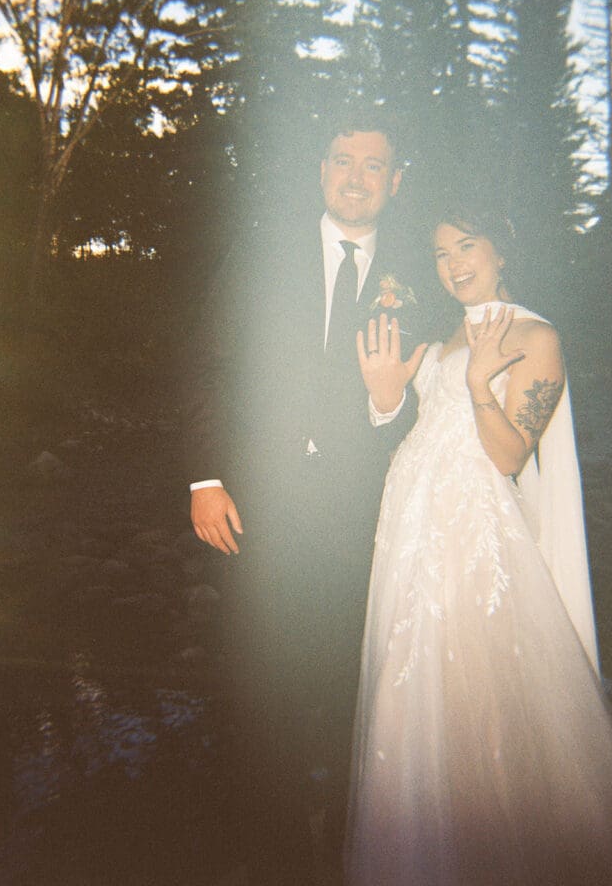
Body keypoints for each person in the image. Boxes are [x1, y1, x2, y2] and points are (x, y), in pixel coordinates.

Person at [345, 212, 612, 885]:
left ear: (504, 248)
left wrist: (480, 386)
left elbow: (508, 455)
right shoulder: (449, 329)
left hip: (471, 531)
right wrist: (384, 399)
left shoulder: (537, 335)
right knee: (411, 680)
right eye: (440, 250)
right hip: (410, 523)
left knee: (479, 683)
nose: (452, 264)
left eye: (467, 245)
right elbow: (416, 421)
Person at [181, 107, 430, 881]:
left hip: (363, 506)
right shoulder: (263, 256)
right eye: (341, 161)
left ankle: (340, 828)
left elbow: (424, 402)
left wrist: (390, 401)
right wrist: (204, 476)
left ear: (395, 181)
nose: (355, 177)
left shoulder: (417, 281)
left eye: (372, 164)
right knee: (258, 670)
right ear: (322, 172)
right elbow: (207, 361)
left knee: (347, 668)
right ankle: (267, 838)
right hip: (257, 499)